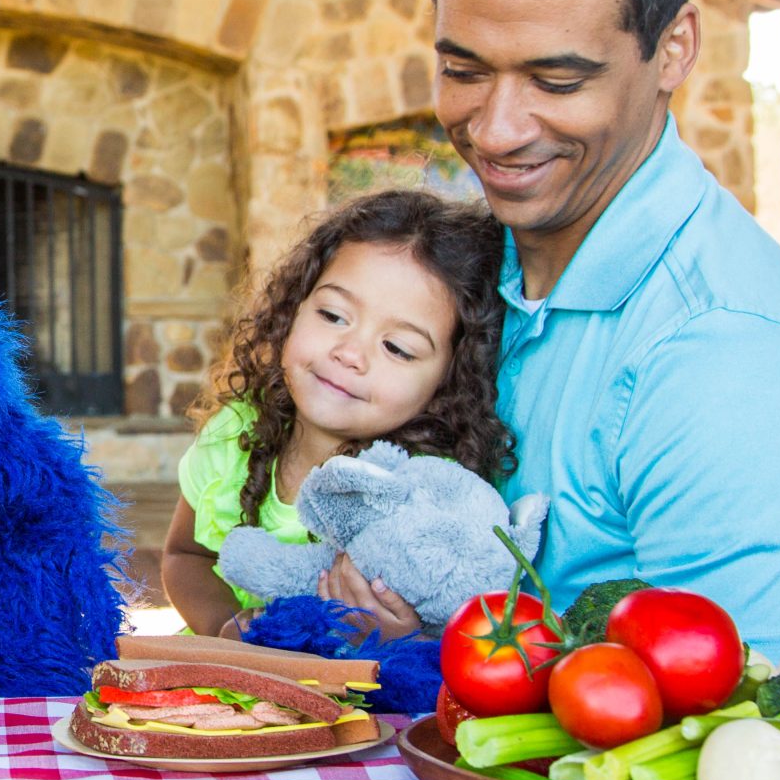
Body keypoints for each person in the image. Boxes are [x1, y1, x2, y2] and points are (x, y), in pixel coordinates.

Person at [430, 0, 780, 655]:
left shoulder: (729, 357)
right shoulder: (469, 264)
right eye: (464, 70)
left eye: (556, 81)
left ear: (673, 48)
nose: (495, 129)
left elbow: (749, 737)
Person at [160, 189, 515, 641]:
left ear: (450, 380)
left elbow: (456, 632)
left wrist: (404, 635)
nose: (350, 353)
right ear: (293, 309)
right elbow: (185, 556)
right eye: (333, 315)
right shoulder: (236, 432)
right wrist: (227, 630)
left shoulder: (424, 492)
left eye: (397, 348)